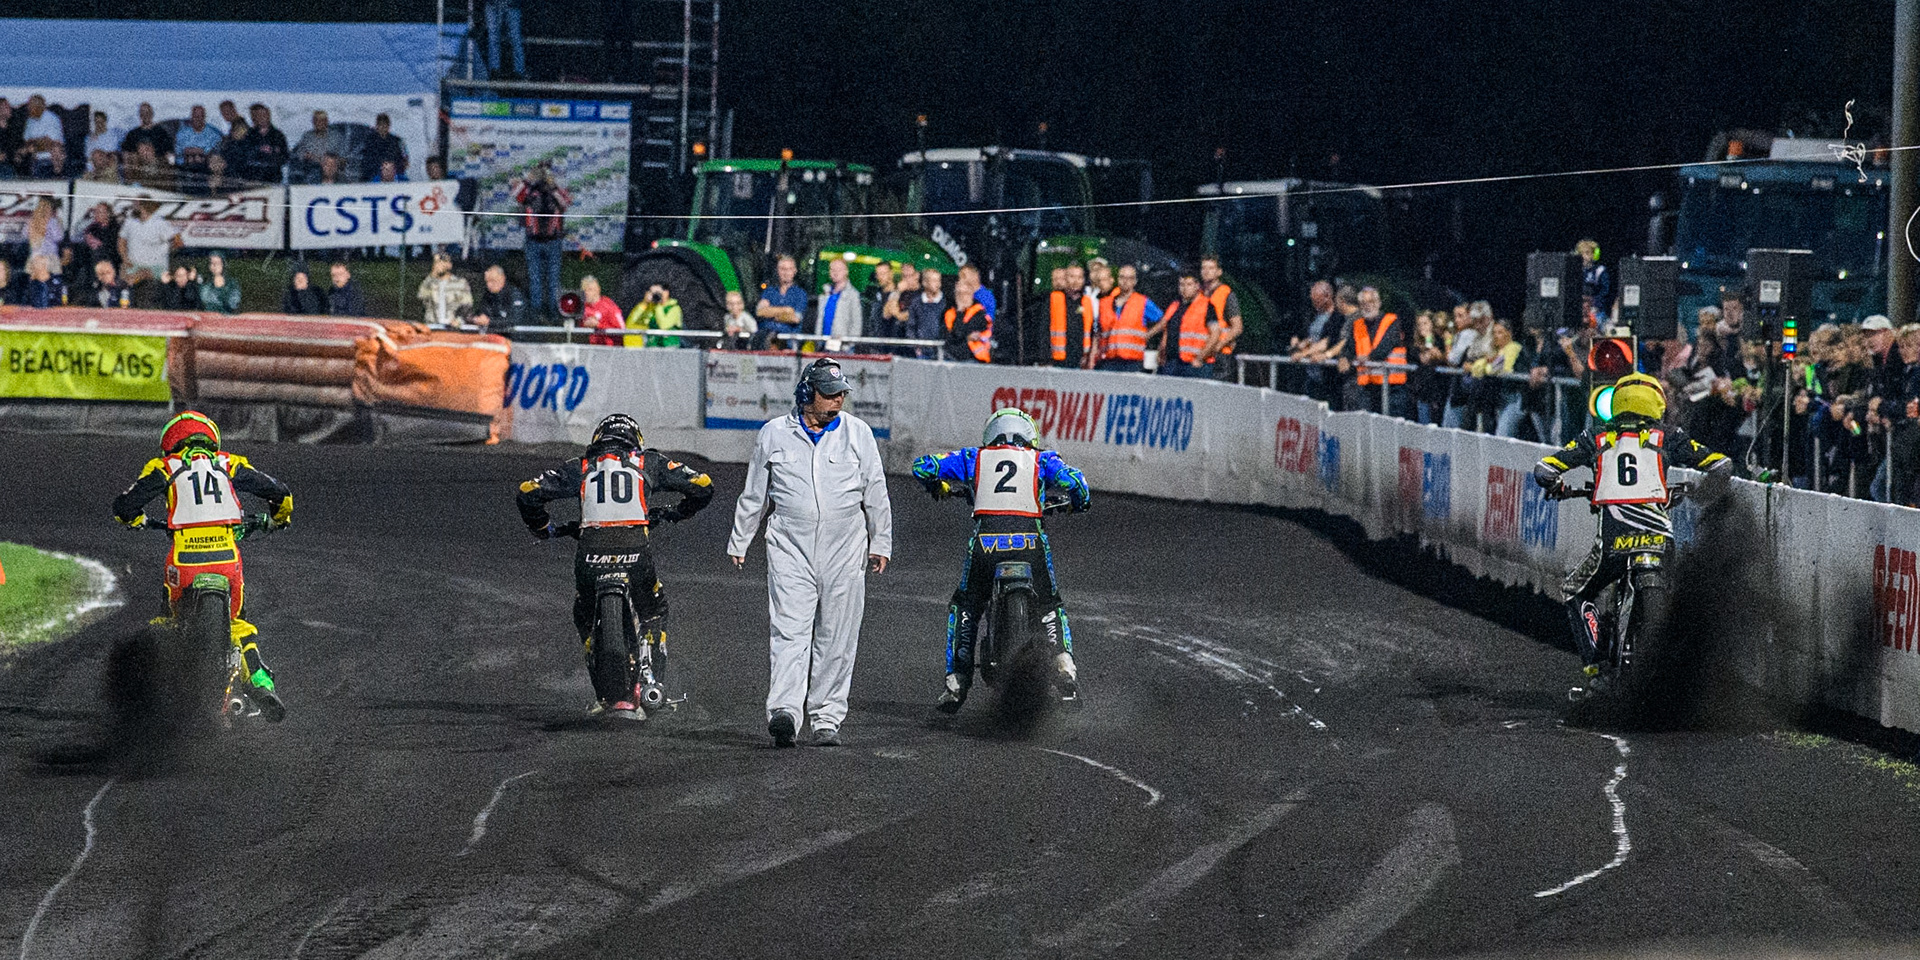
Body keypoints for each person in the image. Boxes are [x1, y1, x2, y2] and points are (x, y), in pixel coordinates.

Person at [727, 359, 893, 747]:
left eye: (841, 394)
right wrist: (741, 539)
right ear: (808, 394)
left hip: (846, 548)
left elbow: (876, 491)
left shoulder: (858, 434)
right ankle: (784, 711)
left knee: (838, 634)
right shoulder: (773, 434)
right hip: (789, 547)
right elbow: (755, 493)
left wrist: (880, 540)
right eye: (830, 394)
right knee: (789, 631)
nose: (838, 401)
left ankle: (826, 718)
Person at [1532, 374, 1730, 690]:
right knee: (1685, 595)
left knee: (1575, 589)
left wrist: (1556, 485)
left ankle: (1596, 670)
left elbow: (1544, 470)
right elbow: (1721, 466)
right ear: (1656, 404)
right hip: (1659, 541)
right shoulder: (1669, 436)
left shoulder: (1595, 437)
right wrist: (1700, 493)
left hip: (1613, 541)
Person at [516, 413, 716, 718]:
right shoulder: (649, 462)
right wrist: (675, 513)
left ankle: (602, 691)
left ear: (598, 440)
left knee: (583, 611)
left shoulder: (579, 466)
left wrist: (543, 528)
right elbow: (703, 485)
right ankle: (653, 680)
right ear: (635, 441)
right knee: (655, 609)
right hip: (635, 551)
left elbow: (528, 493)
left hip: (590, 553)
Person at [112, 411, 295, 721]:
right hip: (227, 558)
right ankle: (261, 683)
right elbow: (280, 492)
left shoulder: (165, 467)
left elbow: (125, 506)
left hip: (184, 561)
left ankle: (156, 688)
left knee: (167, 619)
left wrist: (139, 521)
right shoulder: (230, 463)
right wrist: (277, 519)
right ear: (211, 439)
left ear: (171, 443)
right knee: (239, 626)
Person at [912, 408, 1092, 713]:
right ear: (1030, 436)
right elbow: (1077, 482)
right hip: (1031, 542)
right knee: (1051, 604)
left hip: (986, 543)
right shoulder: (1042, 459)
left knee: (966, 604)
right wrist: (1079, 503)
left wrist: (939, 487)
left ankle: (956, 681)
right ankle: (1065, 667)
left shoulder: (974, 457)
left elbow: (923, 467)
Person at [514, 163, 572, 320]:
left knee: (553, 280)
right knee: (535, 279)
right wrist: (528, 179)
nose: (543, 178)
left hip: (553, 241)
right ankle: (536, 313)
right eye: (540, 174)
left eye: (545, 175)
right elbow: (516, 194)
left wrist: (553, 184)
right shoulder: (530, 191)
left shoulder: (556, 192)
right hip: (533, 241)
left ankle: (554, 313)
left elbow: (566, 202)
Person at [1345, 286, 1410, 417]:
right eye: (1363, 303)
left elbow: (1386, 346)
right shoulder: (1357, 324)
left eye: (1371, 302)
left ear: (1379, 303)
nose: (1367, 306)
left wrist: (1368, 358)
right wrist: (1344, 357)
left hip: (1392, 386)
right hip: (1369, 386)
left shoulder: (1392, 320)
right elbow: (1349, 347)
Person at [1148, 268, 1221, 378]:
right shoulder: (1175, 305)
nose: (1184, 288)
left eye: (1188, 284)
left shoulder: (1207, 306)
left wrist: (1200, 358)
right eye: (1181, 285)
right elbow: (1166, 328)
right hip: (1172, 362)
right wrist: (1161, 351)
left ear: (1197, 286)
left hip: (1194, 364)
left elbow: (1215, 334)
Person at [1095, 263, 1160, 373]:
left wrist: (1148, 335)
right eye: (1122, 277)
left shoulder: (1142, 302)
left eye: (1130, 278)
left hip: (1132, 361)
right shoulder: (1105, 303)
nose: (1126, 281)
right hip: (1109, 359)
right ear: (1118, 279)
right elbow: (1098, 331)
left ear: (1135, 281)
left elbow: (1163, 320)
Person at [1199, 256, 1243, 380]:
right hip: (1201, 352)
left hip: (1220, 355)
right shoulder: (1198, 293)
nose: (1206, 271)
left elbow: (1237, 327)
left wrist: (1219, 345)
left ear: (1219, 271)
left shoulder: (1226, 294)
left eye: (1211, 268)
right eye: (1204, 268)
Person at [119, 198, 182, 281]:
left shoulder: (160, 223)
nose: (133, 208)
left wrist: (167, 250)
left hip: (155, 266)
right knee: (121, 274)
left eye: (136, 205)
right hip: (134, 264)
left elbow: (178, 240)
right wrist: (125, 259)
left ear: (144, 207)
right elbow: (121, 242)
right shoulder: (130, 222)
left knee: (138, 276)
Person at [1049, 264, 1097, 369]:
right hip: (1057, 358)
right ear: (1065, 279)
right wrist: (1045, 357)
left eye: (1079, 277)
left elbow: (1092, 331)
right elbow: (1044, 329)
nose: (1076, 281)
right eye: (1072, 277)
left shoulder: (1086, 302)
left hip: (1080, 358)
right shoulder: (1055, 298)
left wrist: (1089, 356)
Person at [754, 254, 808, 349]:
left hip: (788, 344)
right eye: (783, 269)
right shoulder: (769, 291)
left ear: (795, 271)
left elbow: (795, 318)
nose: (786, 273)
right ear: (777, 271)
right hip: (764, 343)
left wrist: (770, 314)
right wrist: (786, 310)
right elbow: (759, 312)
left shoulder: (800, 294)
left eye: (789, 269)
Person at [230, 103, 289, 185]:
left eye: (262, 114)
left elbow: (285, 158)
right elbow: (240, 156)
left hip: (272, 178)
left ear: (268, 114)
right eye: (256, 115)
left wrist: (271, 156)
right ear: (253, 118)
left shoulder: (278, 135)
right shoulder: (248, 135)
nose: (260, 118)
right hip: (251, 178)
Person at [944, 269, 993, 363]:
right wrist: (959, 311)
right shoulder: (949, 313)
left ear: (971, 293)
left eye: (965, 294)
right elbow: (947, 337)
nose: (962, 297)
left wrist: (962, 336)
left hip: (974, 359)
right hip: (951, 357)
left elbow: (960, 332)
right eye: (959, 294)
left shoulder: (979, 313)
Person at [814, 256, 863, 346]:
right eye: (832, 270)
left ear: (846, 272)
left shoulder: (853, 295)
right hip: (822, 344)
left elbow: (856, 323)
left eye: (839, 270)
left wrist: (850, 345)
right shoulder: (825, 293)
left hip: (842, 347)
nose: (835, 273)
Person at [416, 252, 474, 326]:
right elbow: (421, 297)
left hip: (452, 327)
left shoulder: (460, 283)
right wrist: (432, 276)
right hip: (432, 326)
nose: (439, 265)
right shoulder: (429, 282)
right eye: (436, 262)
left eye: (443, 262)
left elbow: (467, 307)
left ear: (450, 265)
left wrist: (459, 321)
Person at [290, 110, 347, 184]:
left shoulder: (336, 136)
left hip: (333, 168)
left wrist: (331, 162)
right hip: (313, 168)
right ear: (313, 122)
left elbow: (343, 158)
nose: (319, 123)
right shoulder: (307, 137)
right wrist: (318, 160)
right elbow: (301, 155)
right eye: (317, 120)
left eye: (322, 120)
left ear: (327, 122)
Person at [471, 264, 527, 335]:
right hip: (495, 337)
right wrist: (480, 317)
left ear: (502, 278)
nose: (489, 285)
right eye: (487, 282)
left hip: (517, 338)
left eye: (492, 281)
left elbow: (515, 320)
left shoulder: (514, 294)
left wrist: (490, 322)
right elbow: (483, 310)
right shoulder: (488, 295)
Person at [906, 266, 947, 359]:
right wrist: (916, 348)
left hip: (941, 352)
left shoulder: (946, 303)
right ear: (925, 283)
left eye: (938, 280)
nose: (937, 284)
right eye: (933, 280)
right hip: (922, 353)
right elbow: (911, 326)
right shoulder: (916, 303)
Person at [627, 283, 684, 347]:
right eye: (652, 292)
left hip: (669, 348)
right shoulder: (651, 307)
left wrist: (658, 305)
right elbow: (633, 321)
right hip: (652, 347)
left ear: (666, 292)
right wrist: (644, 304)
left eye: (658, 292)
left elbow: (664, 326)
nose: (656, 295)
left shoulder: (674, 308)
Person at [359, 113, 409, 182]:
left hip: (394, 175)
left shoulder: (396, 141)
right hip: (374, 175)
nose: (383, 127)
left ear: (389, 126)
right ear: (377, 126)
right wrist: (381, 168)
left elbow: (404, 159)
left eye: (385, 124)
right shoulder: (369, 141)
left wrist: (392, 168)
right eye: (380, 125)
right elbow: (366, 160)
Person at [578, 275, 624, 345]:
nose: (586, 293)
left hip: (610, 350)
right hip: (591, 349)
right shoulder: (582, 308)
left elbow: (621, 330)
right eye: (584, 290)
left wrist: (598, 325)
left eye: (590, 289)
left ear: (598, 290)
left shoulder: (609, 306)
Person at [76, 202, 120, 275]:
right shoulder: (93, 226)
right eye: (95, 212)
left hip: (109, 257)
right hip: (92, 256)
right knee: (78, 248)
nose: (96, 214)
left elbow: (110, 246)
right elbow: (78, 231)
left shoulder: (114, 227)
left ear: (108, 214)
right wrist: (86, 216)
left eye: (99, 212)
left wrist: (96, 243)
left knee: (96, 253)